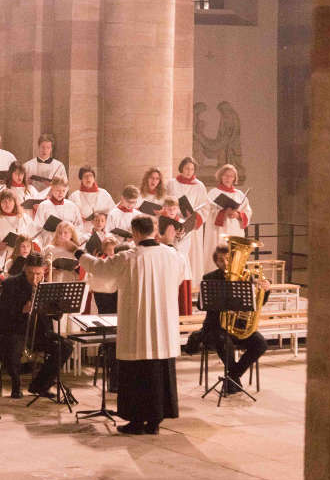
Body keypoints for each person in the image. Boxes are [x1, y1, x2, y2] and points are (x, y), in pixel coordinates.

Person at [77, 216, 187, 435]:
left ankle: (137, 421)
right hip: (163, 327)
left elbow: (99, 268)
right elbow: (179, 279)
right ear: (154, 231)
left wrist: (78, 252)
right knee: (159, 372)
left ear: (135, 233)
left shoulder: (128, 258)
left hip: (138, 326)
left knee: (138, 374)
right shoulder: (173, 256)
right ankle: (155, 422)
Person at [0, 252, 73, 399]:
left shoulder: (47, 287)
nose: (34, 278)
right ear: (24, 269)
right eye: (30, 273)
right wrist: (21, 310)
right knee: (14, 345)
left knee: (66, 346)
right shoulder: (10, 284)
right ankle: (16, 385)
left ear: (44, 271)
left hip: (40, 333)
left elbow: (56, 316)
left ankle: (40, 385)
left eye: (38, 274)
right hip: (15, 330)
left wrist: (57, 308)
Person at [200, 245, 269, 393]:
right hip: (215, 327)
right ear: (215, 262)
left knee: (260, 343)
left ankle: (232, 377)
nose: (224, 263)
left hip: (237, 327)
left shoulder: (245, 277)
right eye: (220, 260)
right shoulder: (209, 278)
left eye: (227, 259)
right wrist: (222, 306)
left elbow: (257, 304)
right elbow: (202, 305)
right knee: (225, 343)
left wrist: (265, 290)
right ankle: (233, 381)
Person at [166, 157, 209, 286]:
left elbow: (205, 206)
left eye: (192, 169)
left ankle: (193, 285)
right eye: (186, 168)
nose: (189, 171)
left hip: (192, 225)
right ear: (181, 168)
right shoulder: (172, 183)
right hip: (175, 222)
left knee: (192, 255)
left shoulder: (199, 185)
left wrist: (195, 218)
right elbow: (166, 200)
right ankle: (175, 284)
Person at [203, 164, 252, 274]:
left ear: (234, 178)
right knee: (219, 255)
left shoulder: (239, 194)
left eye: (231, 176)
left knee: (234, 259)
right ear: (221, 176)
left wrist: (238, 215)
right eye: (225, 175)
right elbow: (208, 211)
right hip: (218, 230)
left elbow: (247, 212)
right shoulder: (213, 193)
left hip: (235, 230)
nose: (228, 178)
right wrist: (224, 212)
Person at [34, 177, 83, 246]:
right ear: (52, 188)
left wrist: (71, 234)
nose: (61, 193)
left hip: (68, 242)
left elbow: (79, 225)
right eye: (58, 190)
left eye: (63, 191)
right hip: (50, 242)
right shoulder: (44, 205)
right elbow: (37, 227)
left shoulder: (72, 206)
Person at [69, 166, 115, 232]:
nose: (88, 178)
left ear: (94, 178)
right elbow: (70, 215)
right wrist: (79, 219)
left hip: (101, 229)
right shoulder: (75, 196)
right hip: (82, 230)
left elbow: (112, 212)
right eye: (85, 176)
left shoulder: (103, 193)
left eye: (91, 176)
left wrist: (102, 217)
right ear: (81, 179)